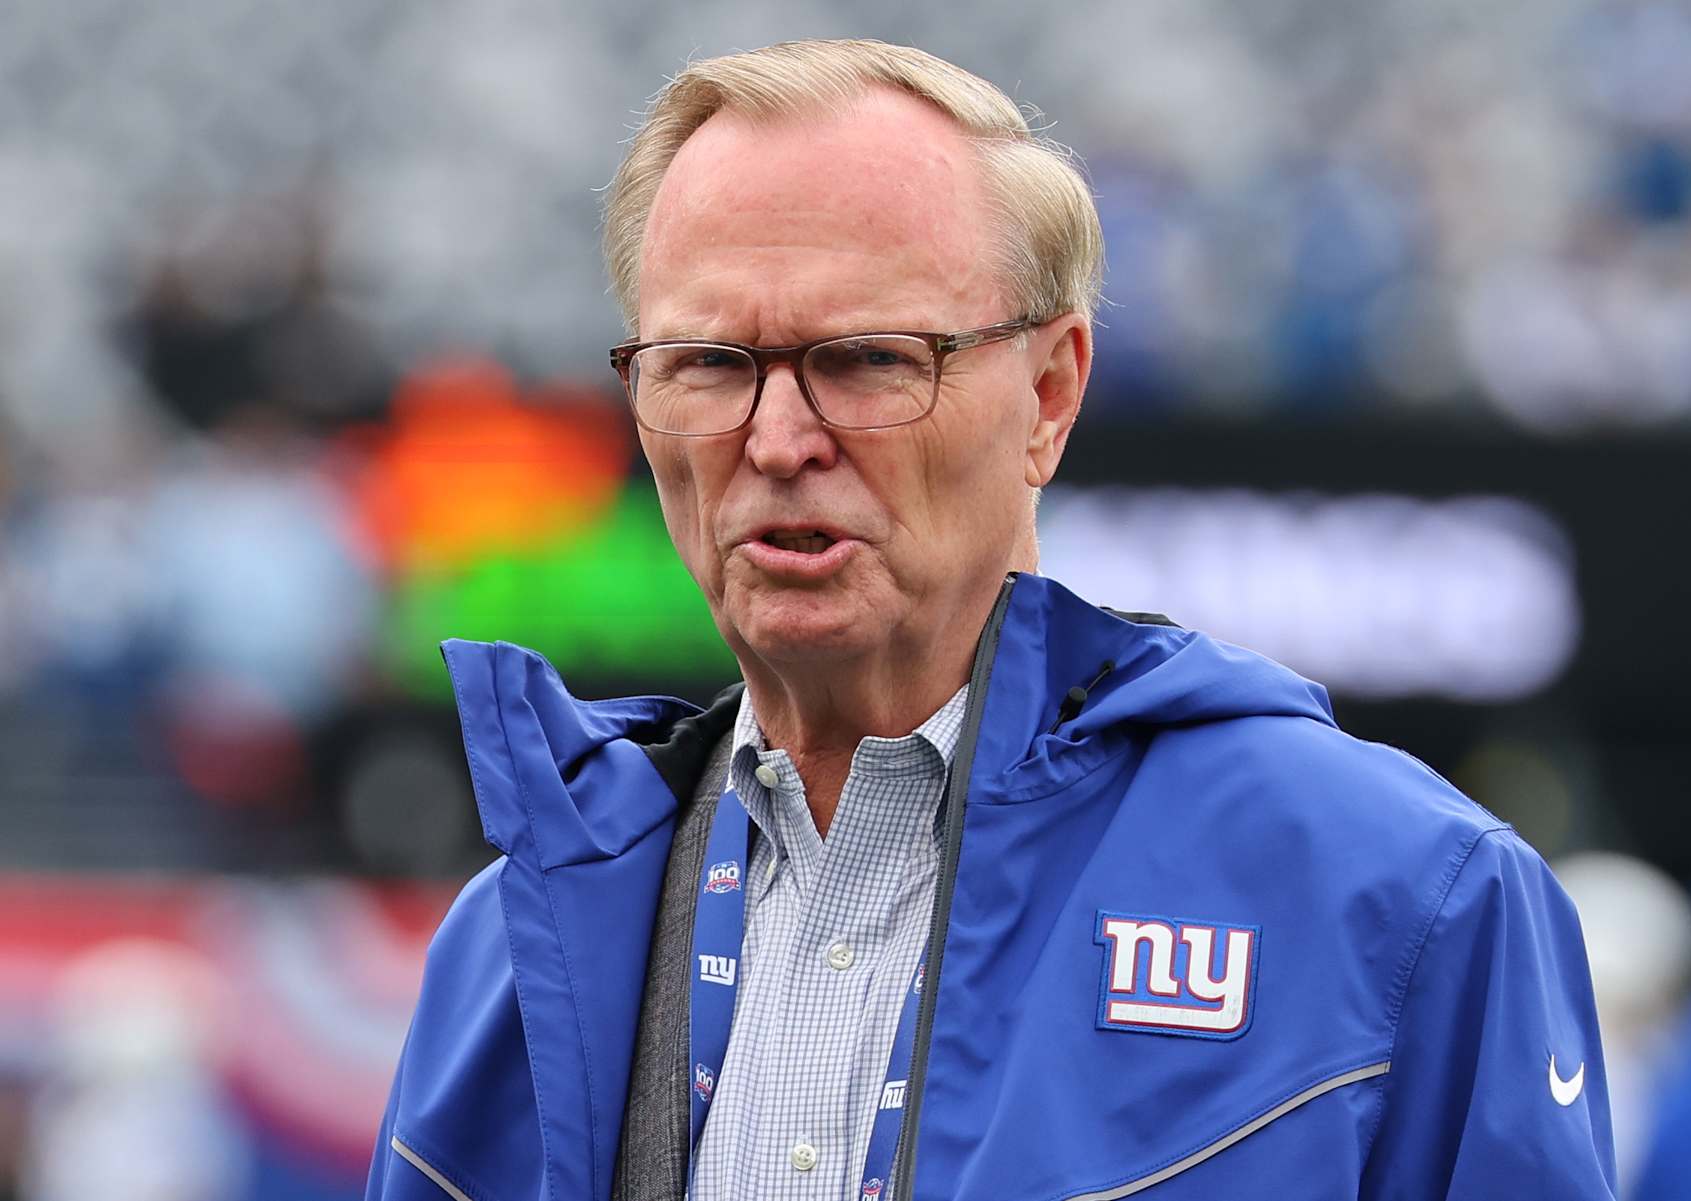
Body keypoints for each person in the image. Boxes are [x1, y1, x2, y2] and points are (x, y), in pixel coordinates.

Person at [365, 39, 1618, 1201]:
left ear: (1052, 393)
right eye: (709, 363)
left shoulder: (1401, 899)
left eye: (867, 359)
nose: (780, 438)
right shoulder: (511, 954)